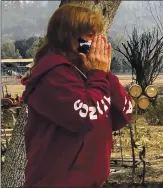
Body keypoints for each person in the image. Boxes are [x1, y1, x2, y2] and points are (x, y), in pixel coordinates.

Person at [21, 3, 133, 188]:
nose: (97, 42)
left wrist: (105, 74)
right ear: (70, 38)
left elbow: (124, 113)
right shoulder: (53, 74)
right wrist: (98, 75)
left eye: (98, 35)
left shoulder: (87, 73)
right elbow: (86, 117)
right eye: (90, 36)